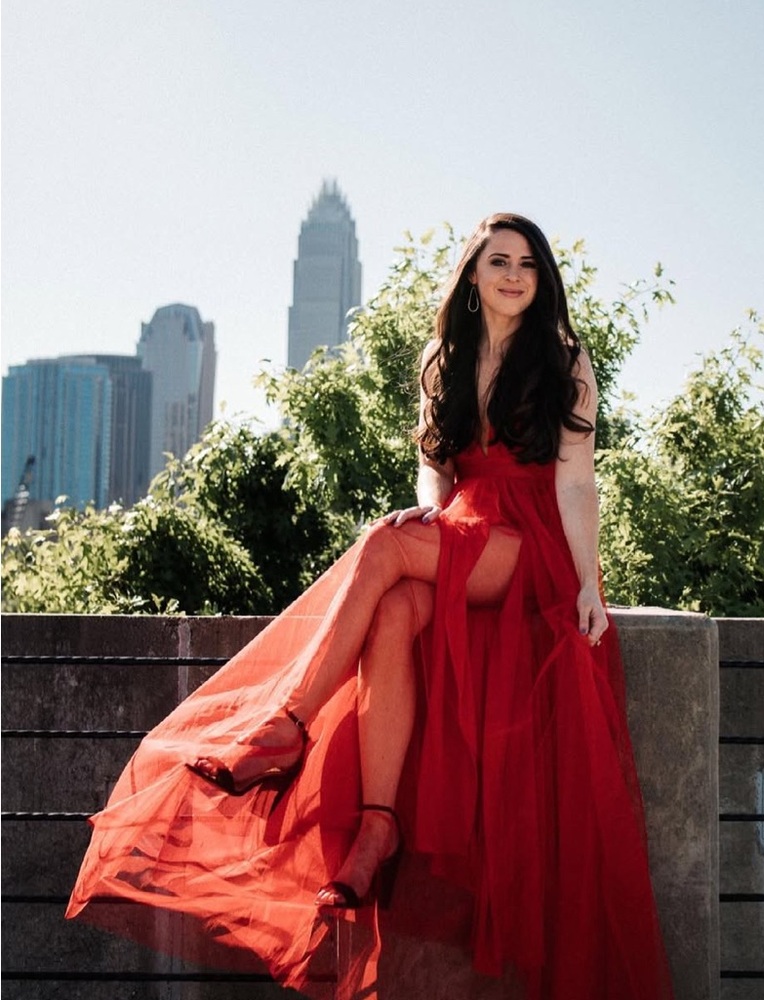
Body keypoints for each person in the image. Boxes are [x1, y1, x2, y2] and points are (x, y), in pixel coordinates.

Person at [67, 213, 673, 1000]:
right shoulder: (444, 359)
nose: (515, 275)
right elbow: (437, 472)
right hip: (469, 528)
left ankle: (287, 724)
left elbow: (575, 481)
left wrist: (590, 582)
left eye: (528, 263)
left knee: (384, 545)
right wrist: (435, 513)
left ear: (542, 276)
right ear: (474, 274)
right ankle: (377, 825)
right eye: (499, 262)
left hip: (530, 546)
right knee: (393, 611)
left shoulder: (562, 358)